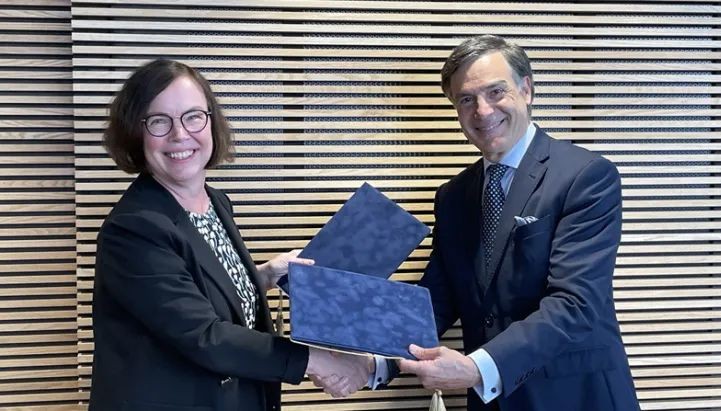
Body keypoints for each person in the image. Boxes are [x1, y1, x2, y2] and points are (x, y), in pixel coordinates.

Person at [89, 59, 371, 411]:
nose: (180, 134)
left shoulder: (215, 203)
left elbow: (196, 289)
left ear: (211, 121)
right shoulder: (134, 228)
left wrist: (263, 276)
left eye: (193, 116)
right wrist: (316, 361)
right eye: (159, 121)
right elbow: (204, 335)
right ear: (136, 132)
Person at [383, 34, 640, 410]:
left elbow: (575, 303)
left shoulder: (586, 176)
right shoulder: (453, 196)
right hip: (491, 401)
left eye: (495, 92)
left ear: (527, 90)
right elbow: (437, 298)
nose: (482, 111)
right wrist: (375, 360)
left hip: (575, 397)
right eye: (466, 100)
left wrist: (477, 368)